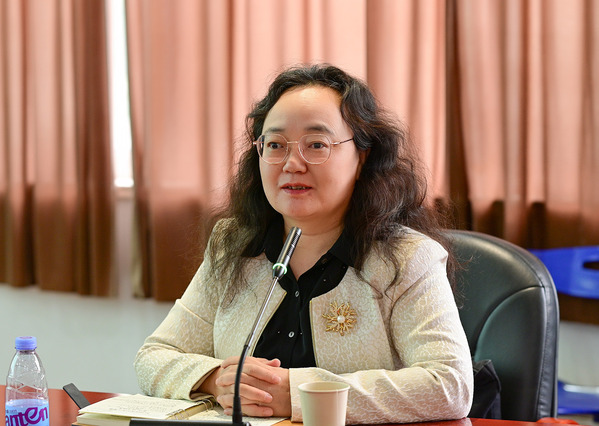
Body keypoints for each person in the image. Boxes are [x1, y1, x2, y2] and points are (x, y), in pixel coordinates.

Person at [134, 64, 473, 424]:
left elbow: (450, 385)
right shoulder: (233, 244)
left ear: (362, 157)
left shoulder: (407, 258)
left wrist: (299, 393)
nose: (292, 164)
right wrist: (218, 380)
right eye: (275, 145)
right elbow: (154, 356)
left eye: (316, 145)